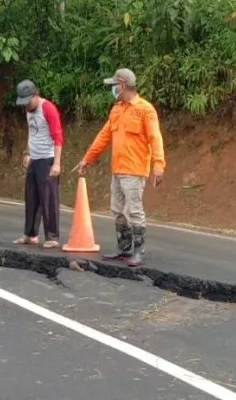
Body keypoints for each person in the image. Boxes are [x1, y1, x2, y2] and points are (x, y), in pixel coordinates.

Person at [72, 68, 166, 267]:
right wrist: (87, 159)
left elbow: (155, 138)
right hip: (118, 169)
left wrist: (158, 164)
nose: (113, 89)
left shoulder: (145, 109)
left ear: (123, 85)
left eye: (115, 85)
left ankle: (138, 251)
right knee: (117, 210)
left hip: (135, 170)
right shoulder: (117, 110)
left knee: (134, 211)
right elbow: (104, 137)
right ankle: (123, 248)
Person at [13, 79, 65, 249]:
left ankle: (52, 236)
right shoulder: (29, 111)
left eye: (28, 101)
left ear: (35, 95)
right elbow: (31, 132)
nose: (26, 106)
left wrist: (57, 163)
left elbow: (58, 136)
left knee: (48, 199)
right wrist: (27, 153)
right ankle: (30, 234)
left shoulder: (47, 108)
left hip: (48, 158)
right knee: (32, 197)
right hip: (34, 158)